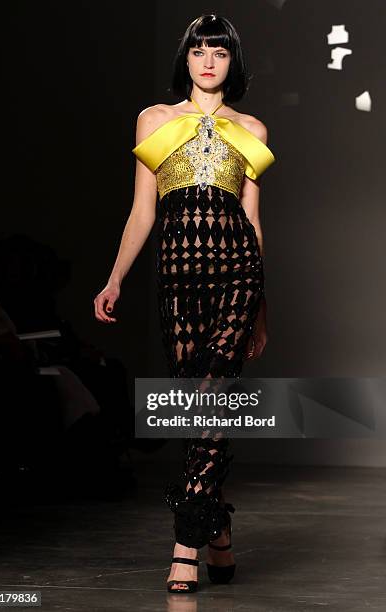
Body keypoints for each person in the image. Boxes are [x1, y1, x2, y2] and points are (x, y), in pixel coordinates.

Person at [94, 13, 275, 593]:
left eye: (219, 52)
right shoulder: (154, 120)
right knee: (199, 407)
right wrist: (116, 278)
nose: (207, 60)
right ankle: (217, 532)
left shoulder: (252, 129)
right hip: (179, 276)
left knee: (211, 392)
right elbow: (142, 210)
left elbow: (252, 219)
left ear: (232, 63)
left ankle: (185, 544)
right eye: (198, 50)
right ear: (186, 59)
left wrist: (260, 304)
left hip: (236, 272)